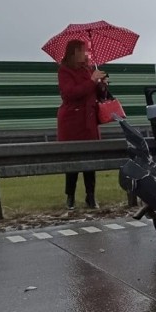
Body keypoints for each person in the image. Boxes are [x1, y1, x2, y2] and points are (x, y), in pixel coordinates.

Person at [56, 39, 108, 210]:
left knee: (90, 160)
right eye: (82, 51)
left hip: (89, 121)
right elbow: (70, 93)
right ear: (73, 52)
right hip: (72, 123)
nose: (85, 54)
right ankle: (70, 197)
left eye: (86, 51)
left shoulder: (89, 69)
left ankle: (91, 196)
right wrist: (92, 81)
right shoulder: (65, 71)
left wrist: (102, 85)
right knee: (73, 160)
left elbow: (98, 95)